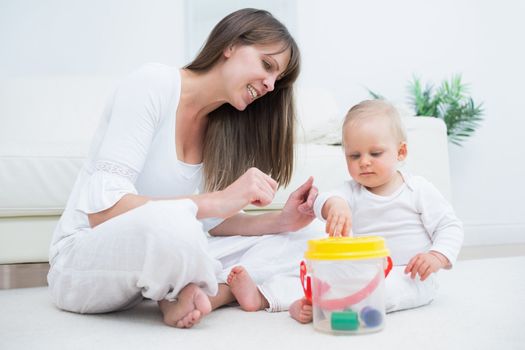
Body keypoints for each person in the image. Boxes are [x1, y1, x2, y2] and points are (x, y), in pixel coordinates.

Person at [47, 8, 318, 329]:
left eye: (277, 79)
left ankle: (213, 292)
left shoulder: (223, 125)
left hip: (165, 255)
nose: (271, 85)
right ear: (230, 45)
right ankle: (191, 286)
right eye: (267, 65)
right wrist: (217, 201)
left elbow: (209, 225)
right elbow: (103, 213)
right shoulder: (153, 83)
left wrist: (282, 221)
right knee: (178, 224)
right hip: (85, 259)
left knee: (313, 235)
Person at [226, 99, 463, 324]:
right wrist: (335, 206)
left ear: (400, 152)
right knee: (315, 274)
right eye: (354, 155)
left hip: (410, 272)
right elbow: (323, 200)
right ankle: (264, 296)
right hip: (360, 268)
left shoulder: (418, 189)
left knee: (385, 290)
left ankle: (327, 307)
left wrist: (436, 256)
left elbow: (449, 226)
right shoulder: (351, 191)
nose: (364, 162)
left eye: (375, 153)